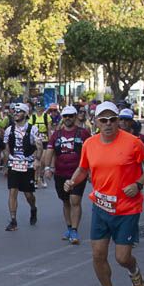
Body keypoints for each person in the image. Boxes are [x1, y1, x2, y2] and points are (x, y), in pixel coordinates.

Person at [61, 102, 144, 286]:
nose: (109, 124)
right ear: (96, 122)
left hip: (127, 209)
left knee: (122, 257)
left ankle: (134, 271)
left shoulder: (133, 142)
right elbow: (83, 169)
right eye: (103, 120)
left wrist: (139, 183)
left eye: (113, 119)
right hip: (101, 207)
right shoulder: (90, 144)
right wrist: (72, 181)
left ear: (118, 121)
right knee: (98, 255)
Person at [43, 105, 90, 245]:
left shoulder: (83, 133)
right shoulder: (56, 135)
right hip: (60, 173)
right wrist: (47, 167)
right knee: (65, 201)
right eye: (65, 116)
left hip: (78, 173)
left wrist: (91, 171)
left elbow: (92, 151)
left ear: (75, 117)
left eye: (70, 116)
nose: (68, 118)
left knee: (75, 200)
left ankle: (75, 230)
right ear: (62, 118)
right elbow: (49, 151)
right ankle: (69, 227)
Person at [1, 103, 41, 231]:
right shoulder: (9, 130)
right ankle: (13, 220)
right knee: (13, 191)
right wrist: (6, 165)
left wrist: (37, 160)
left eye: (19, 111)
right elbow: (6, 148)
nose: (16, 113)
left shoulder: (33, 129)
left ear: (25, 113)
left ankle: (33, 208)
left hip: (27, 165)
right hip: (14, 164)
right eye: (14, 111)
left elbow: (39, 146)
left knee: (28, 194)